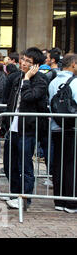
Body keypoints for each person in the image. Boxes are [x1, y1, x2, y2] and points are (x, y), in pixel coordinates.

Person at [0, 47, 49, 209]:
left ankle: (24, 198)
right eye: (23, 59)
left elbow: (29, 97)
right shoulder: (15, 77)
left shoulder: (40, 80)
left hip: (28, 129)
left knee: (25, 165)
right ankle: (15, 193)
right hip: (12, 127)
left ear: (36, 66)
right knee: (9, 163)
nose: (24, 63)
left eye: (29, 62)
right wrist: (4, 125)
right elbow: (10, 103)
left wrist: (27, 78)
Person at [48, 53, 77, 213]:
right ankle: (71, 202)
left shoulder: (53, 81)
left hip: (57, 127)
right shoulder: (75, 82)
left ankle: (59, 200)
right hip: (72, 129)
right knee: (71, 165)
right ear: (73, 64)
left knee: (59, 164)